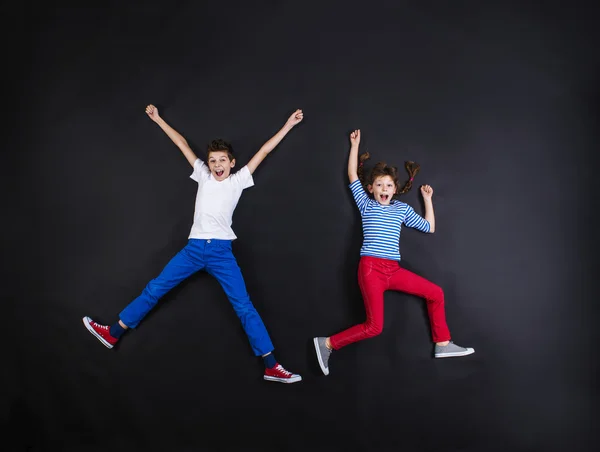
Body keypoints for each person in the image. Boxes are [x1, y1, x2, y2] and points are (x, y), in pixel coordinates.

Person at [83, 104, 304, 384]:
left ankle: (271, 365)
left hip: (221, 252)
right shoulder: (201, 174)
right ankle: (112, 333)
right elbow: (181, 143)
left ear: (231, 163)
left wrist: (288, 125)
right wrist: (159, 120)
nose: (217, 165)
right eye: (213, 161)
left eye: (222, 160)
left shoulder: (238, 182)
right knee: (155, 288)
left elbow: (264, 151)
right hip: (194, 249)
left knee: (244, 306)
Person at [313, 129, 474, 376]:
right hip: (371, 269)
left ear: (395, 188)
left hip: (393, 270)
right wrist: (354, 145)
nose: (384, 188)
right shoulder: (366, 204)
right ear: (371, 188)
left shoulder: (401, 209)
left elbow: (429, 228)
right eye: (379, 185)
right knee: (375, 327)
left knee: (436, 293)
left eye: (388, 185)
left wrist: (428, 199)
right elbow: (351, 174)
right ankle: (327, 344)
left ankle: (442, 344)